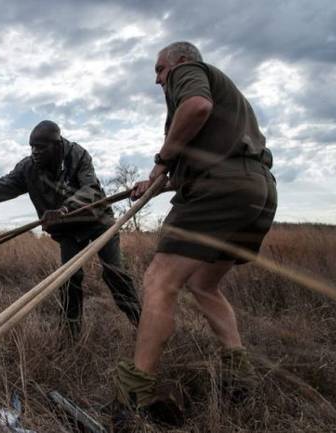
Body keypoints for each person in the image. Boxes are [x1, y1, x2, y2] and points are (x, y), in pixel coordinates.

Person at [115, 41, 277, 424]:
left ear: (180, 62)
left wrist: (162, 160)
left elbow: (196, 107)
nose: (158, 80)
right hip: (256, 190)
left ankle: (134, 398)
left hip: (221, 187)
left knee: (158, 280)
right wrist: (158, 180)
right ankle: (240, 374)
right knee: (204, 283)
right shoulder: (229, 105)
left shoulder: (189, 73)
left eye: (159, 70)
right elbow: (202, 153)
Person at [0, 120, 141, 339]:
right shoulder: (28, 168)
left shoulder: (78, 155)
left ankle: (141, 323)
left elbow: (91, 190)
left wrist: (65, 208)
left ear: (57, 145)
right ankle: (70, 335)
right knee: (69, 279)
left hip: (98, 223)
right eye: (32, 147)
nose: (35, 152)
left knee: (114, 273)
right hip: (68, 230)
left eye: (41, 147)